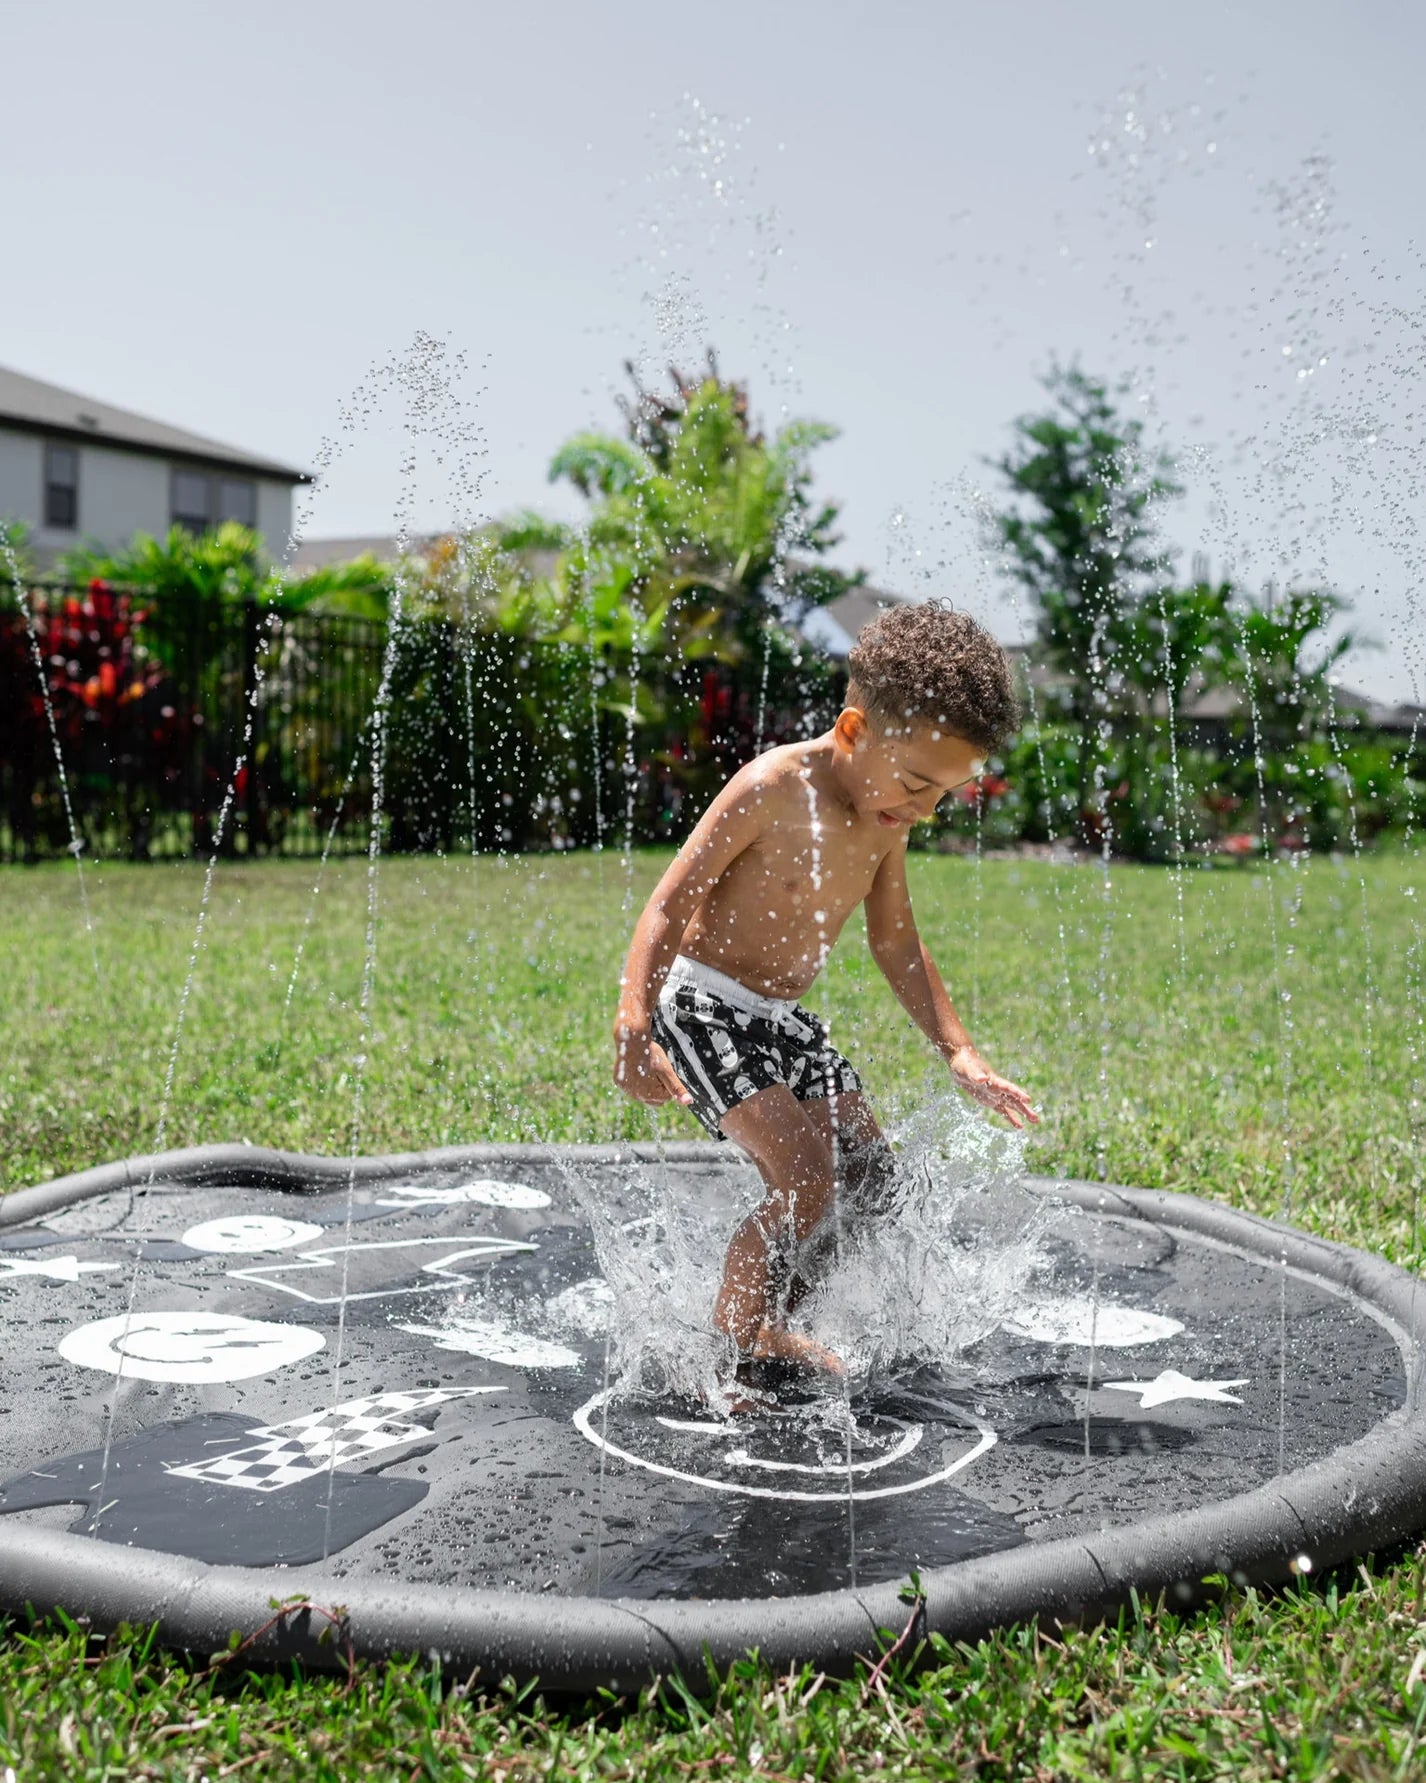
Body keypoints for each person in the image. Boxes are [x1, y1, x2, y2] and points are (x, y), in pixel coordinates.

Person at [612, 600, 1038, 1382]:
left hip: (779, 1021)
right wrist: (634, 1023)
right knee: (806, 1177)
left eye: (942, 795)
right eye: (915, 783)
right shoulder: (771, 786)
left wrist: (961, 1052)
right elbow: (670, 903)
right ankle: (734, 1346)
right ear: (852, 730)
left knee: (873, 1182)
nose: (922, 809)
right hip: (703, 1008)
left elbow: (895, 940)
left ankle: (783, 1321)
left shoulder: (885, 817)